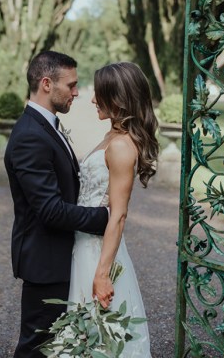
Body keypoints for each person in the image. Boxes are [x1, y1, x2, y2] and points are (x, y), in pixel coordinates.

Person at [4, 51, 110, 358]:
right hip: (46, 261)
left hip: (60, 256)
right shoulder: (30, 136)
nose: (77, 92)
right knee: (38, 347)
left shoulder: (45, 125)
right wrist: (104, 217)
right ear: (47, 84)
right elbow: (50, 210)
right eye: (72, 85)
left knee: (59, 345)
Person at [68, 62, 158, 357]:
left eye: (99, 94)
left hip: (98, 253)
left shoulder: (121, 146)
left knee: (101, 340)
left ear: (117, 100)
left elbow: (118, 215)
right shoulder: (111, 136)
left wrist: (103, 274)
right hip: (83, 245)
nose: (93, 99)